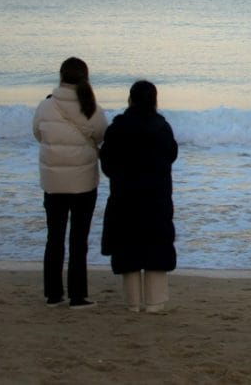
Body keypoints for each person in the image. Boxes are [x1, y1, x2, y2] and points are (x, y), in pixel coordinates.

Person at [32, 57, 108, 309]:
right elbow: (102, 135)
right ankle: (78, 296)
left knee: (54, 237)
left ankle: (53, 294)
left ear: (61, 76)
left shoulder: (46, 106)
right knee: (78, 239)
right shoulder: (91, 107)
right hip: (84, 182)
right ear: (85, 78)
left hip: (53, 182)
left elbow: (38, 134)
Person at [99, 80, 178, 313]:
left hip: (125, 199)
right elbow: (171, 156)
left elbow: (107, 166)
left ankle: (133, 303)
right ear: (154, 101)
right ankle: (154, 302)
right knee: (156, 248)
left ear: (130, 100)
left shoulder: (117, 128)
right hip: (156, 199)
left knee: (128, 247)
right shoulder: (162, 128)